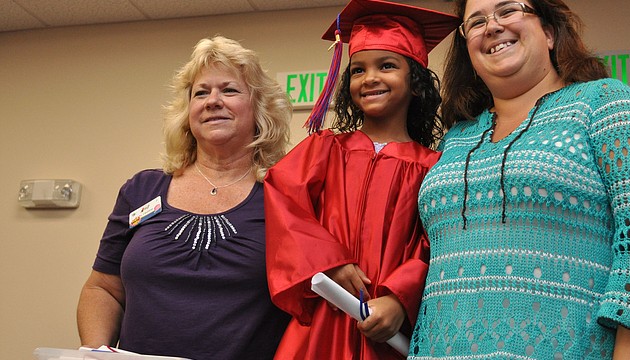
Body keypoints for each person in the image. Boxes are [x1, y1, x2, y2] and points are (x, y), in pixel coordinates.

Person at [408, 1, 630, 359]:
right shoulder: (455, 139)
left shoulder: (605, 104)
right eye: (476, 22)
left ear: (550, 33)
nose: (491, 27)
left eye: (508, 10)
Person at [263, 1, 459, 358]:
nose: (370, 78)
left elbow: (438, 245)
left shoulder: (434, 167)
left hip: (387, 327)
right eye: (357, 70)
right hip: (325, 320)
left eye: (387, 66)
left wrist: (401, 300)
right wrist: (329, 260)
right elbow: (283, 200)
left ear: (415, 81)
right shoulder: (325, 150)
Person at [76, 36, 292, 360]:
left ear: (259, 107)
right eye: (201, 93)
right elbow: (103, 288)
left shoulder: (287, 195)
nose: (212, 101)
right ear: (187, 112)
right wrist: (95, 351)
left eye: (229, 90)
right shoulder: (141, 190)